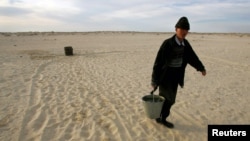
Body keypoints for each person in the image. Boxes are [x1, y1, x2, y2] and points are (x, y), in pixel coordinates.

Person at [151, 16, 206, 128]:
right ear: (176, 29)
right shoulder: (167, 43)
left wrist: (201, 68)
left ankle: (159, 116)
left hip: (176, 76)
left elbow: (192, 58)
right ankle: (162, 118)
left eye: (186, 29)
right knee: (167, 98)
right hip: (165, 76)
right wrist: (154, 80)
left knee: (171, 100)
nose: (184, 32)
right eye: (182, 29)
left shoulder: (185, 44)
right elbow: (158, 62)